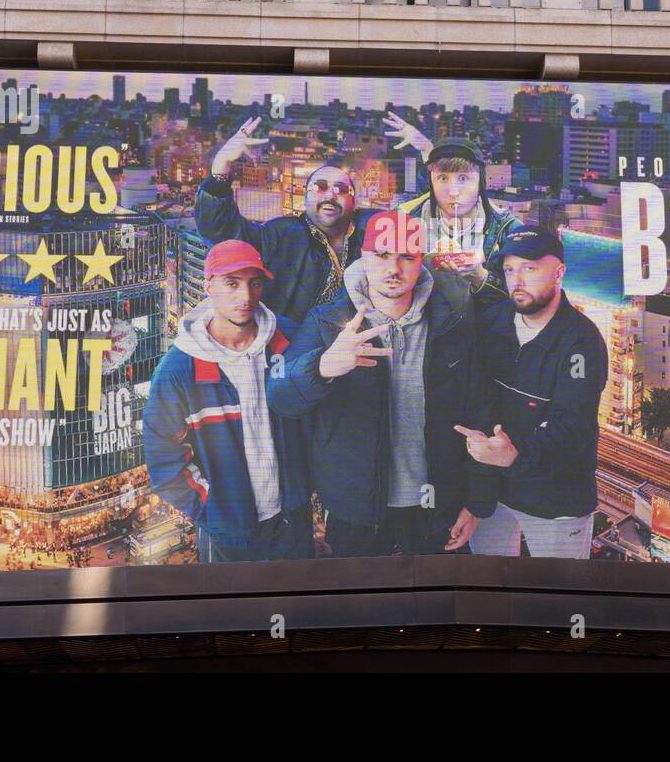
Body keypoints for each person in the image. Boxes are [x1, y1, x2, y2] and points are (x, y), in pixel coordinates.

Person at [267, 210, 495, 558]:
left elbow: (480, 415)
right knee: (362, 606)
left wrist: (477, 502)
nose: (394, 269)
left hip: (438, 504)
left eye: (407, 256)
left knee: (438, 605)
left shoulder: (452, 324)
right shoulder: (327, 321)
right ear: (364, 256)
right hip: (356, 509)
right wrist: (323, 367)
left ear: (421, 262)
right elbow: (280, 397)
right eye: (383, 255)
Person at [142, 239, 312, 562]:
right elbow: (163, 461)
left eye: (254, 283)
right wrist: (211, 509)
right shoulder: (179, 370)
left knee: (299, 606)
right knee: (235, 611)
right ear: (208, 285)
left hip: (292, 521)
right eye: (231, 284)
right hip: (231, 535)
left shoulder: (287, 340)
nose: (245, 297)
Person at [456, 228, 608, 559]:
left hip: (557, 499)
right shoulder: (492, 320)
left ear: (559, 272)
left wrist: (516, 454)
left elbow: (574, 426)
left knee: (558, 596)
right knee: (491, 589)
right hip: (494, 492)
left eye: (530, 267)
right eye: (510, 269)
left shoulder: (582, 341)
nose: (517, 280)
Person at [195, 115, 433, 323]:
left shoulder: (373, 226)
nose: (330, 195)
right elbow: (221, 231)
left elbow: (423, 213)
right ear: (304, 198)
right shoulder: (282, 234)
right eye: (320, 187)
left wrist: (428, 152)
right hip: (294, 346)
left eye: (341, 190)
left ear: (354, 201)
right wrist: (221, 166)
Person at [393, 132, 523, 310]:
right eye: (443, 178)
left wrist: (481, 278)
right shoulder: (403, 221)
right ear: (432, 183)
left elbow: (526, 300)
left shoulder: (509, 230)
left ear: (480, 182)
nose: (453, 191)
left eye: (463, 178)